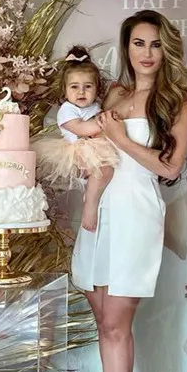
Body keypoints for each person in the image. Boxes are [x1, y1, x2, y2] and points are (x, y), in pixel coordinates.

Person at [71, 10, 187, 372]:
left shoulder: (176, 98)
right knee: (106, 323)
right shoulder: (113, 95)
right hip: (99, 216)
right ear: (127, 47)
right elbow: (94, 150)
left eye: (155, 44)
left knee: (118, 324)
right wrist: (87, 161)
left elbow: (171, 167)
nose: (147, 53)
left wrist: (120, 138)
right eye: (139, 43)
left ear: (166, 50)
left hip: (138, 216)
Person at [34, 46, 119, 232]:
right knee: (102, 171)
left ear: (97, 89)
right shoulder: (67, 110)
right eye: (74, 87)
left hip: (94, 146)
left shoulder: (95, 106)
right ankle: (90, 204)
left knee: (109, 172)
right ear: (65, 91)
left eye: (88, 87)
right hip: (77, 150)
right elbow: (81, 129)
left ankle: (96, 196)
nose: (81, 92)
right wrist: (106, 121)